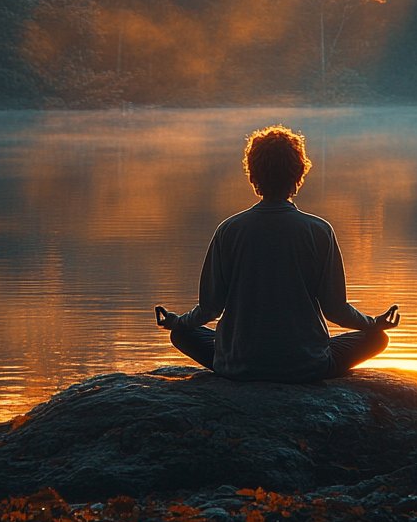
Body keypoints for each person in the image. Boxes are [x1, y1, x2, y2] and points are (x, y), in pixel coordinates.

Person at [156, 124, 400, 382]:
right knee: (377, 338)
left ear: (253, 176)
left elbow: (209, 308)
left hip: (237, 365)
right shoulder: (319, 231)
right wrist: (373, 323)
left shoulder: (228, 230)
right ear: (299, 173)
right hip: (307, 366)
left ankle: (235, 355)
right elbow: (336, 310)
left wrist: (177, 322)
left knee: (182, 334)